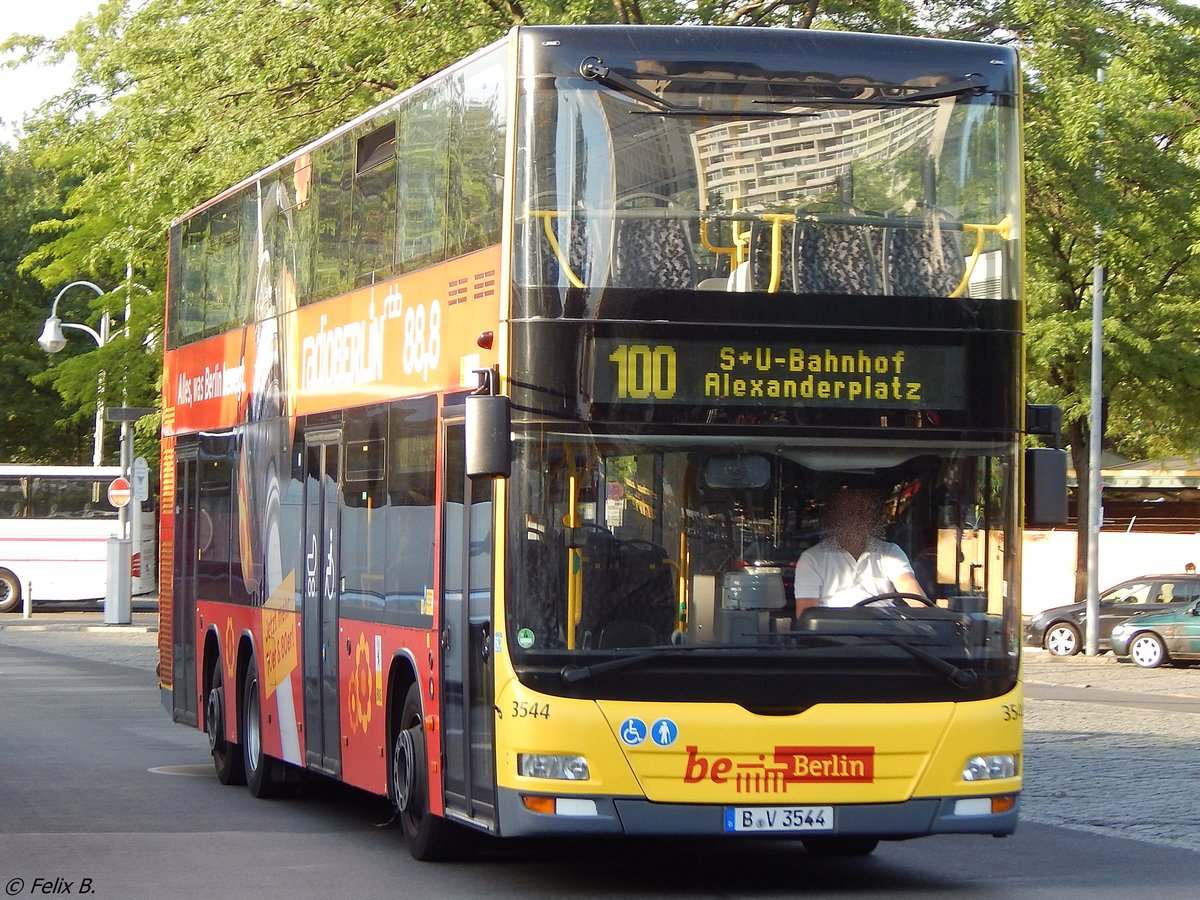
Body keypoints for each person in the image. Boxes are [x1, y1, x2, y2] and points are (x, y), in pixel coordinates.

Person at [794, 485, 925, 613]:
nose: (854, 519)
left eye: (860, 512)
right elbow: (806, 615)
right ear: (834, 518)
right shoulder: (812, 558)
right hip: (831, 631)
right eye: (847, 512)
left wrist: (929, 617)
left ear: (870, 518)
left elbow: (909, 587)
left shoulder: (890, 552)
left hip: (885, 629)